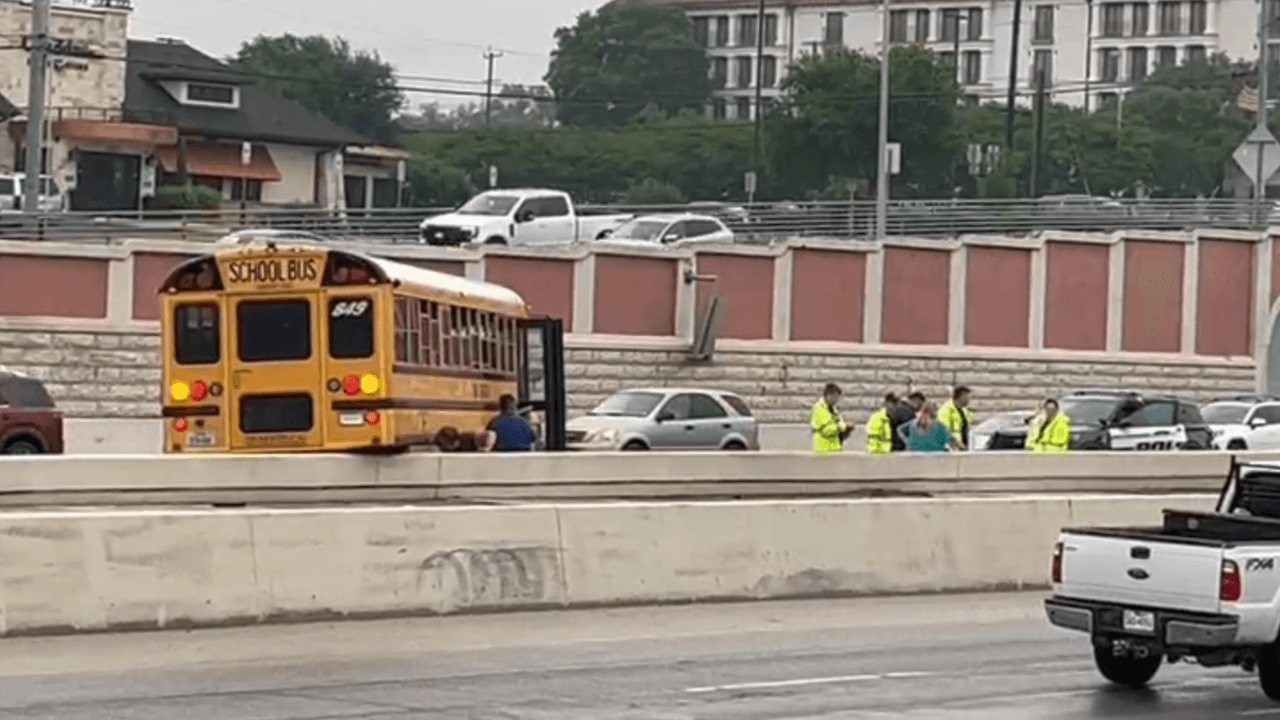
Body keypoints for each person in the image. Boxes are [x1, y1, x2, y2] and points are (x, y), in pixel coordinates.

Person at [810, 382, 852, 454]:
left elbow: (838, 422)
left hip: (833, 448)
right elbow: (827, 430)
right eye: (835, 397)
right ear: (829, 395)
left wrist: (846, 430)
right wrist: (842, 428)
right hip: (823, 449)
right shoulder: (820, 408)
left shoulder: (832, 409)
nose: (837, 400)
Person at [938, 386, 976, 451]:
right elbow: (944, 431)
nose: (969, 400)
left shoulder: (963, 410)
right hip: (952, 450)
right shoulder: (946, 410)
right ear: (961, 396)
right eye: (968, 397)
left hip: (963, 449)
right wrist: (958, 444)